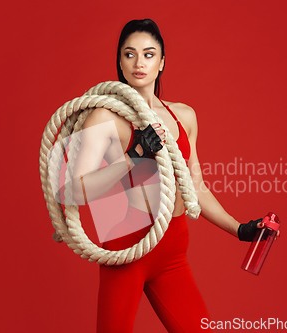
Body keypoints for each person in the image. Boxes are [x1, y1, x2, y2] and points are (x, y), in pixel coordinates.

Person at [71, 18, 276, 333]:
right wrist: (133, 158)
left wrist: (239, 228)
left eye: (149, 54)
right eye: (130, 54)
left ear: (162, 62)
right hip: (128, 247)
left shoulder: (184, 116)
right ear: (120, 62)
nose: (140, 62)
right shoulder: (104, 117)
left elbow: (195, 187)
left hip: (173, 250)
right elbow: (75, 190)